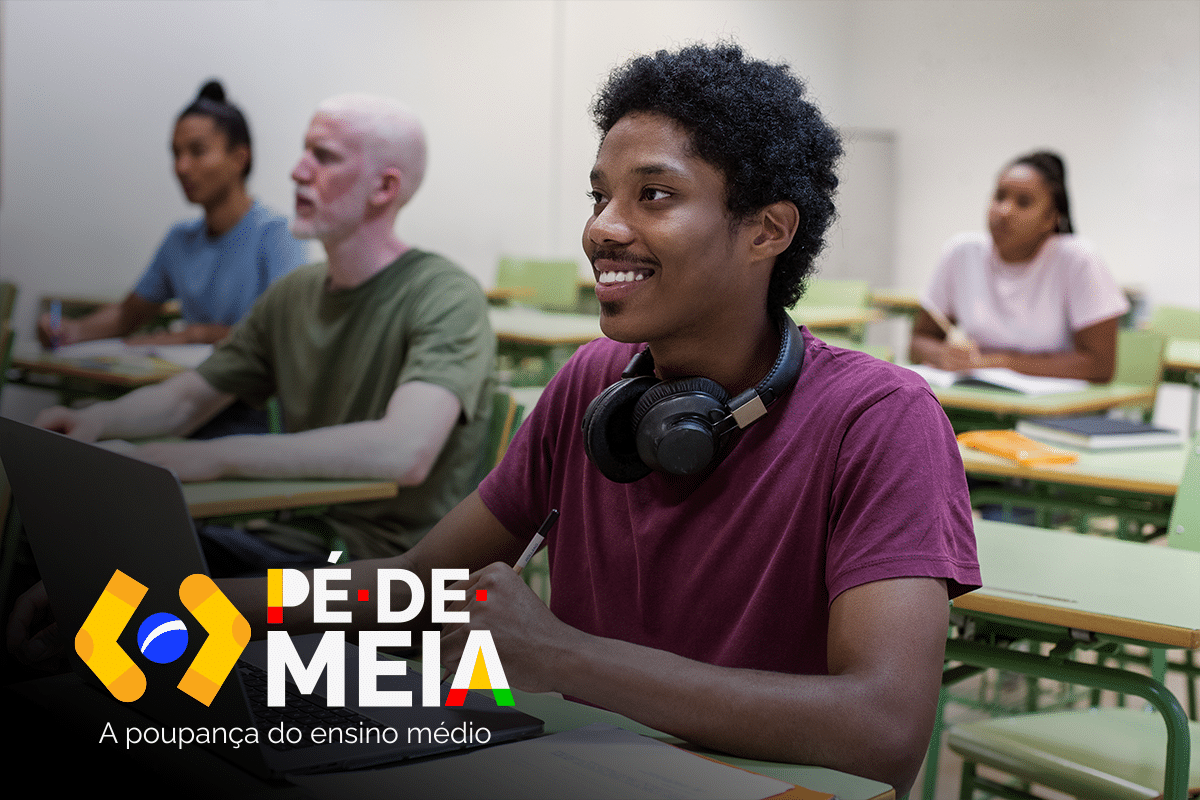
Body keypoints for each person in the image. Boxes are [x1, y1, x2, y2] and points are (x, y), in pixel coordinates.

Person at [11, 47, 976, 795]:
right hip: (580, 767)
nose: (603, 226)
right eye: (600, 194)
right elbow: (416, 588)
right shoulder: (594, 387)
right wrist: (183, 608)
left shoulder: (881, 422)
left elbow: (883, 727)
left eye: (656, 195)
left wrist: (564, 658)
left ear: (767, 230)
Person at [30, 93, 495, 567]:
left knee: (157, 592)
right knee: (85, 555)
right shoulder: (293, 294)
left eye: (324, 156)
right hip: (292, 538)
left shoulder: (446, 295)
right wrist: (95, 422)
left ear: (384, 187)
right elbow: (189, 399)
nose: (297, 171)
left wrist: (215, 457)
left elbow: (405, 450)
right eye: (304, 151)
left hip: (382, 574)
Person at [37, 81, 306, 349]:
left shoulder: (279, 236)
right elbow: (126, 316)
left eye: (197, 151)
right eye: (176, 154)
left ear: (239, 158)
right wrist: (72, 330)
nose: (181, 167)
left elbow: (284, 333)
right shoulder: (180, 240)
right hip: (191, 384)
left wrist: (195, 336)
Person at [909, 150, 1129, 381]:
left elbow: (1099, 366)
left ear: (1050, 218)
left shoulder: (1078, 259)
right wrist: (943, 354)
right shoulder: (961, 252)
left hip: (1058, 411)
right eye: (999, 197)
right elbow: (918, 341)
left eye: (1023, 203)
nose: (1004, 211)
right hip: (978, 399)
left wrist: (1003, 362)